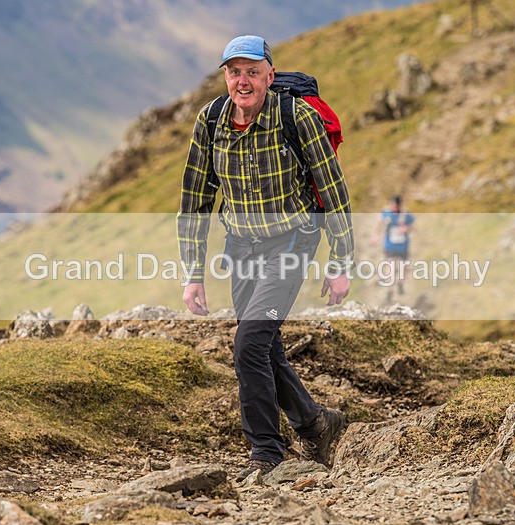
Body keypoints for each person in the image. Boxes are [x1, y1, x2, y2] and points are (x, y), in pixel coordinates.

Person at [177, 35, 354, 480]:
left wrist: (340, 264)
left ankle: (266, 450)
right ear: (225, 76)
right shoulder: (211, 120)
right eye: (234, 71)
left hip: (292, 243)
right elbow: (195, 199)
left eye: (252, 71)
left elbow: (333, 191)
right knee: (265, 345)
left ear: (270, 76)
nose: (243, 81)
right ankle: (316, 424)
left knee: (249, 341)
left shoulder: (297, 117)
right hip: (240, 249)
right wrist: (192, 274)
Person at [375, 195, 415, 302]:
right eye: (393, 206)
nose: (395, 208)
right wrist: (376, 235)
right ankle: (389, 292)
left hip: (403, 247)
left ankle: (400, 284)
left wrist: (406, 228)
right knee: (391, 270)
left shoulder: (406, 215)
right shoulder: (386, 213)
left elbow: (413, 226)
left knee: (404, 269)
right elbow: (379, 221)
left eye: (397, 206)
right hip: (390, 246)